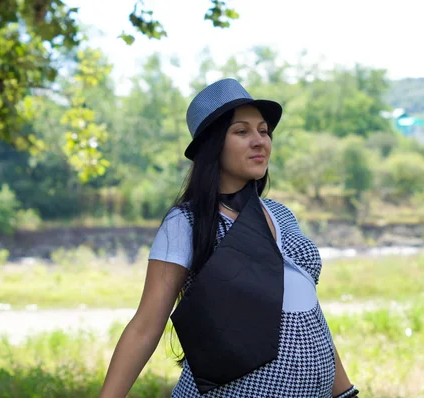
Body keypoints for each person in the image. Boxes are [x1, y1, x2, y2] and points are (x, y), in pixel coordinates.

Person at [99, 78, 358, 398]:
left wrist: (345, 391)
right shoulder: (186, 223)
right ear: (213, 145)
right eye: (241, 131)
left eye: (264, 131)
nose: (259, 141)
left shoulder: (282, 215)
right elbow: (145, 326)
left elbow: (307, 312)